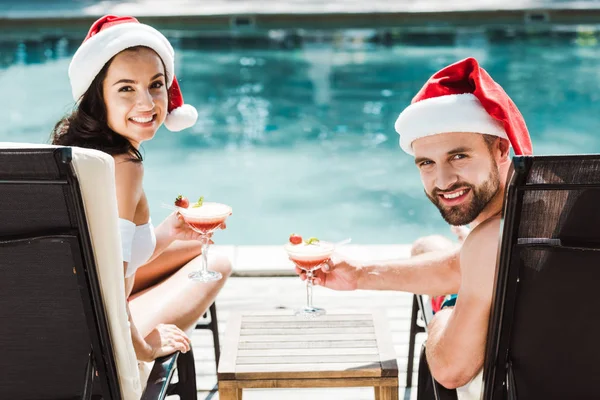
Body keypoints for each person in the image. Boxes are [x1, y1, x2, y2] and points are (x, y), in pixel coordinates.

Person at [296, 57, 533, 396]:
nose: (443, 180)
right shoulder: (555, 211)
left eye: (459, 156)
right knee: (429, 246)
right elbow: (464, 265)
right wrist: (360, 273)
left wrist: (446, 307)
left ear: (501, 148)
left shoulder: (491, 239)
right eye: (427, 163)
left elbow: (449, 370)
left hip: (510, 386)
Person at [51, 15, 232, 363]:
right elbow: (107, 280)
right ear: (97, 96)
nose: (148, 103)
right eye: (126, 88)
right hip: (96, 346)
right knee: (218, 261)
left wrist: (167, 232)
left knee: (198, 247)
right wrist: (145, 347)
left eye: (156, 84)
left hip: (61, 317)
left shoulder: (80, 152)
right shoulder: (124, 167)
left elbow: (99, 253)